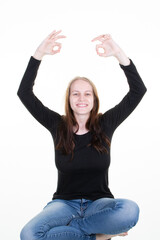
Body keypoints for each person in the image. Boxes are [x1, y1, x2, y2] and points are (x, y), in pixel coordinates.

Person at [17, 30, 147, 240]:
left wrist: (118, 54)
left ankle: (72, 230)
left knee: (129, 210)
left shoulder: (106, 123)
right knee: (29, 234)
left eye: (87, 93)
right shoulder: (57, 125)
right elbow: (24, 93)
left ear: (94, 99)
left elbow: (138, 91)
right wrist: (39, 53)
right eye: (75, 93)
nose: (81, 98)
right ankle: (97, 237)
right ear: (69, 99)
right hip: (63, 204)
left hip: (99, 204)